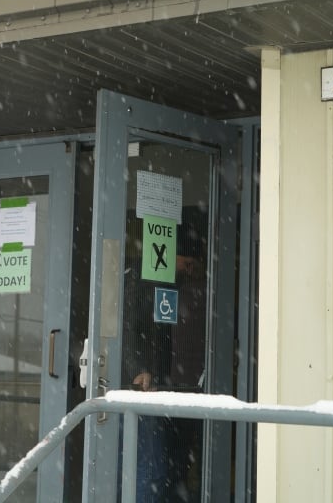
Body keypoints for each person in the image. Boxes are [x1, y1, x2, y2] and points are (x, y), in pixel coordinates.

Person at [121, 208, 206, 502]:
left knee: (163, 470)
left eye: (194, 266)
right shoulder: (143, 280)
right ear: (173, 254)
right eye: (188, 263)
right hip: (143, 390)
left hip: (163, 389)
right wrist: (141, 369)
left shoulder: (166, 284)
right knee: (152, 471)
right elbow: (130, 325)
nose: (190, 270)